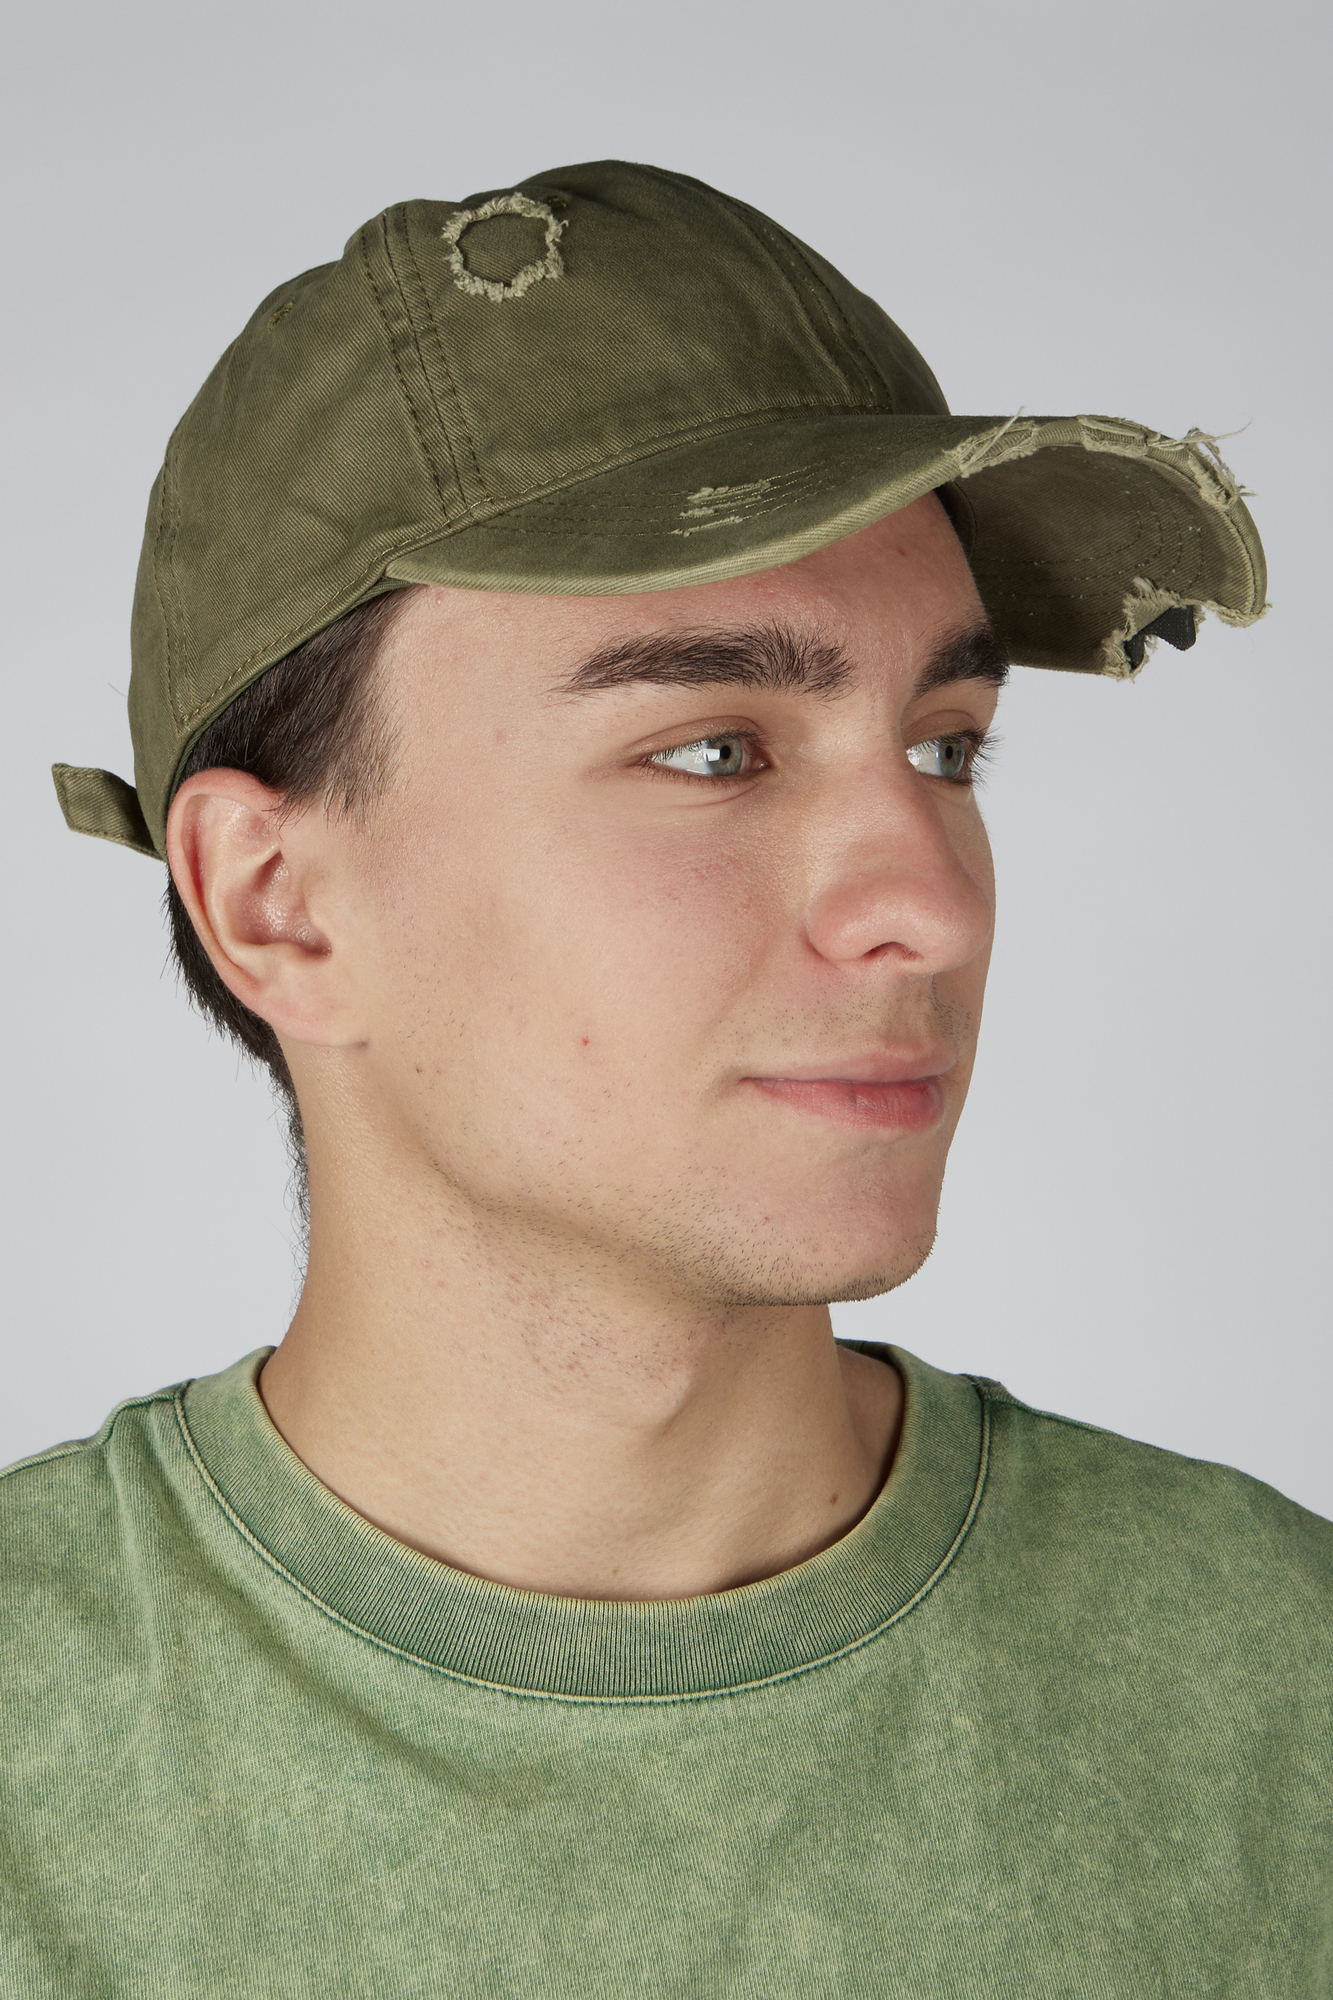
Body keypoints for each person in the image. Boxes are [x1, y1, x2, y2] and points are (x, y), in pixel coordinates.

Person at [6, 160, 1328, 1996]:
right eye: (713, 752)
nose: (929, 904)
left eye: (945, 749)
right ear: (277, 903)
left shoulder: (1277, 1699)